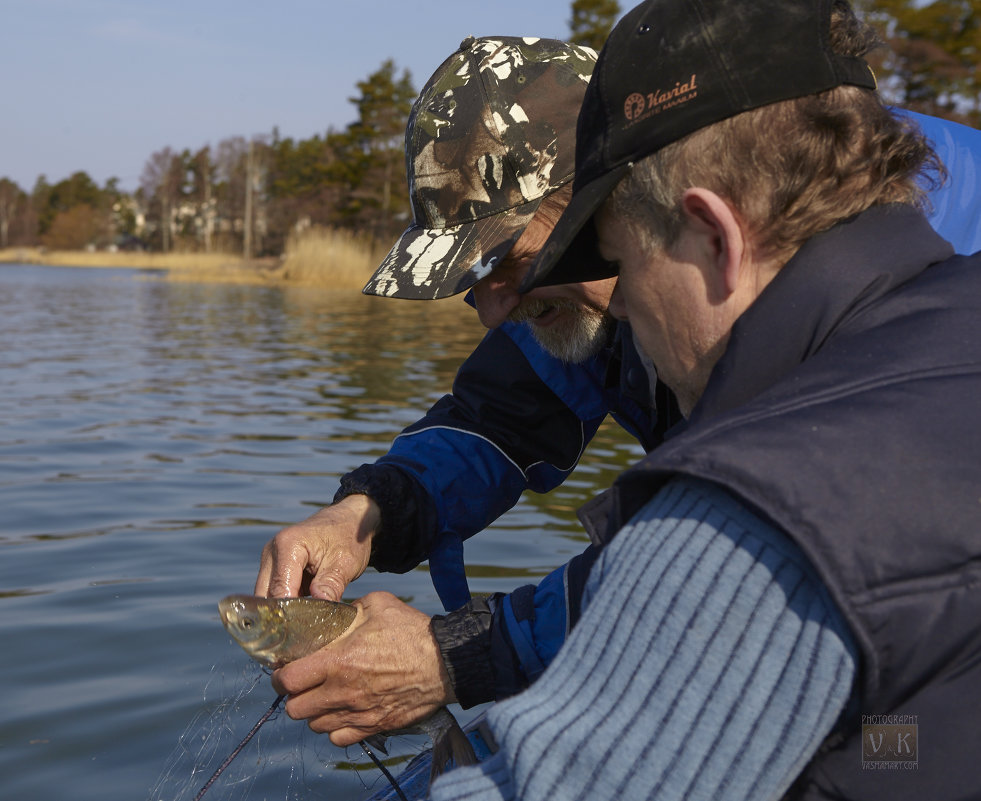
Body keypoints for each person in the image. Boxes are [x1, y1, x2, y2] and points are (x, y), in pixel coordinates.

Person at [259, 31, 981, 751]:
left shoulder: (903, 280)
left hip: (927, 673)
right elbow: (500, 419)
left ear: (613, 200)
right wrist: (370, 511)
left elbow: (741, 561)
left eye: (503, 264)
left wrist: (457, 653)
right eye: (470, 287)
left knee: (882, 754)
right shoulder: (599, 279)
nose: (490, 309)